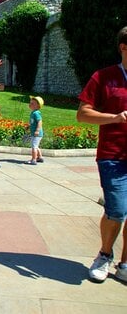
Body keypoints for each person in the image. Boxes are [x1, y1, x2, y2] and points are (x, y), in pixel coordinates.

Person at [77, 26, 127, 284]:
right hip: (113, 156)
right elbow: (83, 113)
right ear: (123, 47)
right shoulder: (104, 77)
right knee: (117, 211)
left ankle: (125, 263)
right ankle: (104, 254)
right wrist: (115, 118)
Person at [26, 96, 44, 165]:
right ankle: (40, 157)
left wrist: (37, 130)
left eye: (32, 104)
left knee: (34, 146)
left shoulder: (36, 113)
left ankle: (33, 159)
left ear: (38, 106)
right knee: (36, 146)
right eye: (30, 103)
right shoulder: (33, 113)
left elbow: (39, 122)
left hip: (37, 133)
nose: (30, 104)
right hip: (35, 133)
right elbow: (32, 122)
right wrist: (28, 126)